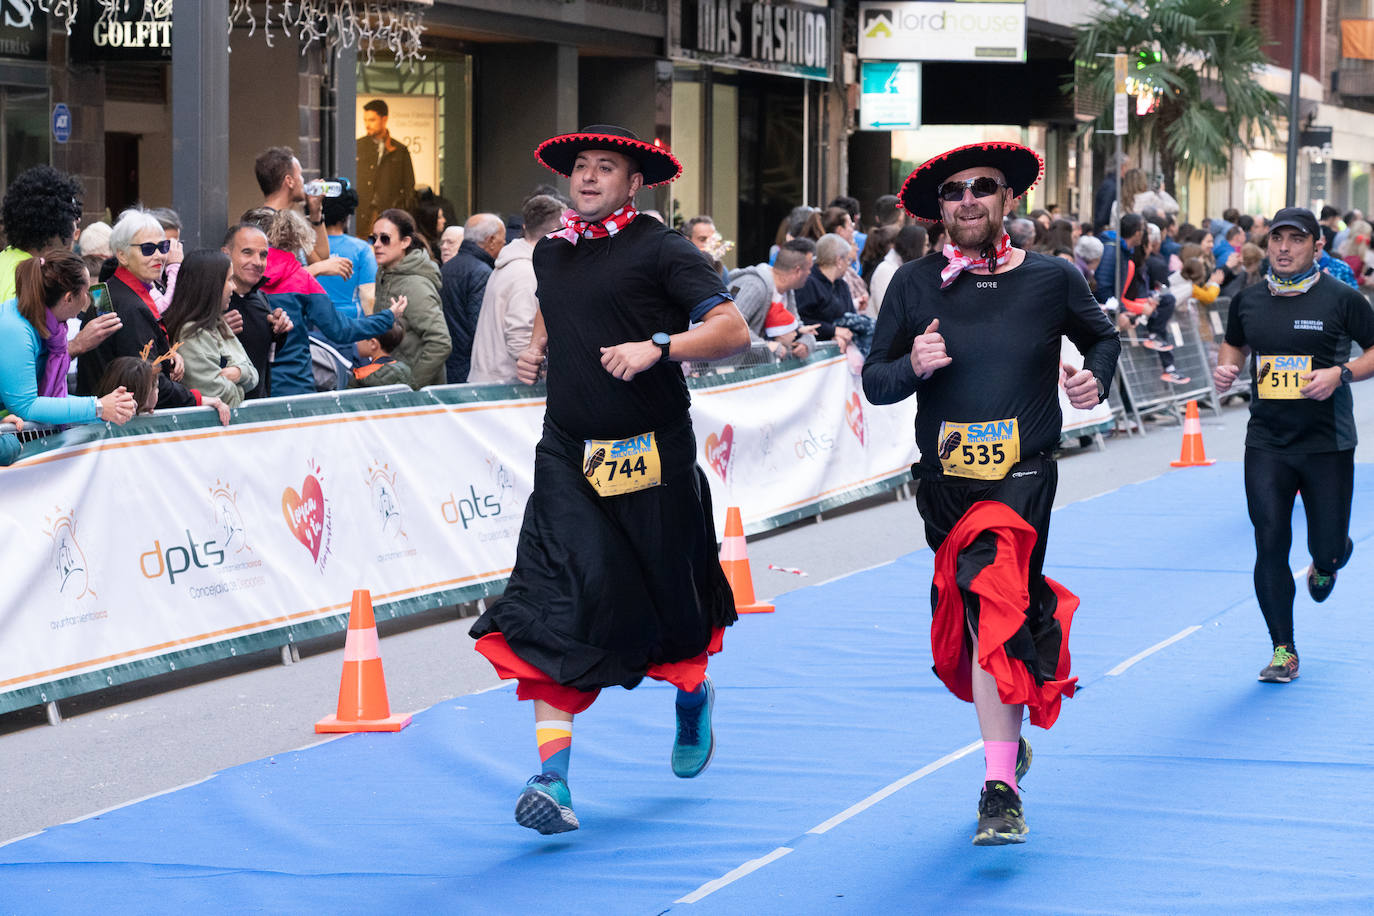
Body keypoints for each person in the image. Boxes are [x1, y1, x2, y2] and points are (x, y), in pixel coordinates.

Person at [467, 124, 749, 835]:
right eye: (580, 168)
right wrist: (536, 349)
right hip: (567, 453)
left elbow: (731, 331)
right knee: (557, 597)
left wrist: (658, 346)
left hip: (651, 454)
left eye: (606, 168)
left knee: (668, 607)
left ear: (634, 183)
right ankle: (552, 781)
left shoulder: (662, 249)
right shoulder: (551, 251)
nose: (588, 177)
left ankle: (692, 700)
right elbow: (558, 316)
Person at [862, 141, 1120, 846]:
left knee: (992, 598)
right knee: (988, 618)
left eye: (982, 187)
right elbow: (875, 383)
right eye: (953, 192)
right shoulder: (915, 285)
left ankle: (997, 788)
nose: (968, 199)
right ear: (937, 211)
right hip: (945, 483)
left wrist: (1091, 378)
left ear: (1009, 200)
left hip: (1025, 472)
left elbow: (1103, 337)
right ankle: (1012, 733)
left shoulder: (1051, 278)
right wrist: (911, 364)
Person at [1212, 207, 1374, 684]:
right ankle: (1283, 649)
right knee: (1269, 543)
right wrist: (1227, 369)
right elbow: (1234, 345)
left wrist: (1339, 374)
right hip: (1267, 441)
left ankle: (1329, 560)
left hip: (1327, 442)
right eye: (1276, 239)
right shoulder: (1248, 299)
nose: (1283, 248)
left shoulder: (1343, 299)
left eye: (1296, 240)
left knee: (1323, 547)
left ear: (1317, 247)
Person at [242, 207, 399, 396]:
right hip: (295, 383)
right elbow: (341, 330)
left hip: (250, 386)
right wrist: (388, 317)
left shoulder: (240, 278)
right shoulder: (301, 279)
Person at [74, 208, 204, 411]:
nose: (160, 256)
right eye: (147, 249)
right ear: (122, 256)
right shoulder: (128, 305)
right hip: (115, 424)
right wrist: (198, 399)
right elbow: (146, 383)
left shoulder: (111, 291)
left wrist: (165, 356)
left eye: (163, 247)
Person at [0, 248, 136, 426]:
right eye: (86, 292)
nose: (88, 299)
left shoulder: (51, 325)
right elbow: (27, 406)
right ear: (68, 298)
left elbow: (51, 397)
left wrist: (110, 407)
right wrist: (99, 406)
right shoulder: (15, 329)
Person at [469, 195, 562, 385]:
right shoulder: (527, 273)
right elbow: (522, 340)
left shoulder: (512, 264)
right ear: (555, 231)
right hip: (506, 389)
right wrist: (543, 373)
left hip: (492, 382)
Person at [161, 250, 259, 408]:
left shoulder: (218, 323)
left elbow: (254, 375)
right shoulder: (190, 332)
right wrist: (240, 385)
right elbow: (216, 393)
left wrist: (239, 372)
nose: (233, 287)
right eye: (229, 280)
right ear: (212, 285)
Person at [372, 208, 449, 388]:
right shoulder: (385, 274)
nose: (376, 244)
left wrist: (411, 385)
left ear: (405, 242)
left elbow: (440, 342)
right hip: (392, 384)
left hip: (416, 398)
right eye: (373, 238)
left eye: (385, 238)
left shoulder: (415, 285)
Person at [221, 223, 293, 400]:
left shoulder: (260, 297)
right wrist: (215, 331)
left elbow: (264, 353)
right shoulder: (207, 299)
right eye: (247, 252)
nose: (257, 262)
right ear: (226, 254)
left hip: (257, 409)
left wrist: (279, 332)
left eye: (263, 255)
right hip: (218, 413)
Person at [0, 165, 84, 303]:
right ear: (55, 224)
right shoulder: (31, 280)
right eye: (73, 215)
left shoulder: (5, 259)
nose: (78, 220)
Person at [440, 213, 505, 383]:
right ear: (490, 240)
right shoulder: (482, 273)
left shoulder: (446, 268)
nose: (504, 244)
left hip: (448, 364)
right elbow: (481, 327)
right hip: (468, 368)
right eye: (501, 240)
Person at [727, 238, 818, 356]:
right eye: (809, 268)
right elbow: (733, 326)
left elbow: (795, 324)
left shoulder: (787, 291)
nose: (810, 273)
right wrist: (767, 347)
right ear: (798, 271)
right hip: (728, 367)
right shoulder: (755, 286)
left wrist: (806, 342)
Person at [795, 233, 874, 355]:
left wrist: (842, 335)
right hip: (813, 355)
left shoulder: (842, 285)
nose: (848, 264)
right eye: (847, 259)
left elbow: (851, 318)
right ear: (839, 261)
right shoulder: (808, 283)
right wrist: (833, 331)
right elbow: (801, 320)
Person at [253, 146, 332, 267]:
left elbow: (321, 260)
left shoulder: (290, 223)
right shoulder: (268, 223)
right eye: (300, 175)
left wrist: (315, 213)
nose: (303, 180)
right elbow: (274, 276)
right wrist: (316, 269)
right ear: (289, 181)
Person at [356, 99, 417, 237]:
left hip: (389, 215)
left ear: (384, 119)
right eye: (365, 120)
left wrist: (402, 212)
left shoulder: (399, 150)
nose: (367, 124)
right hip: (360, 214)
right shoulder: (358, 146)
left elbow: (409, 186)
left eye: (372, 120)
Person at [870, 224, 927, 315]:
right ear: (915, 247)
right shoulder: (885, 270)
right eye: (926, 245)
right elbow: (887, 310)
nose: (927, 249)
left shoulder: (908, 270)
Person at [349, 319, 413, 389]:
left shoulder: (362, 376)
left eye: (360, 336)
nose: (356, 341)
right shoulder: (405, 371)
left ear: (373, 344)